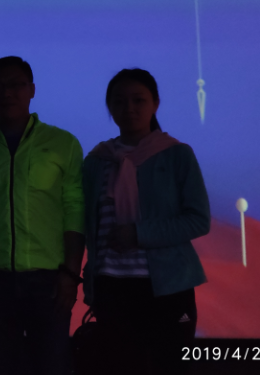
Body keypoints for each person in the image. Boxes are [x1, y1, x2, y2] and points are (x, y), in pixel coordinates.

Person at [0, 56, 85, 375]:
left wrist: (71, 273)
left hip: (50, 279)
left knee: (52, 365)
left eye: (15, 85)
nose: (7, 93)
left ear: (32, 90)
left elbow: (75, 210)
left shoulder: (63, 144)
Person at [82, 69, 210, 375]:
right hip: (111, 287)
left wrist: (138, 234)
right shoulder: (97, 160)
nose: (129, 108)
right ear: (109, 107)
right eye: (119, 101)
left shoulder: (177, 155)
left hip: (168, 287)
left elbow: (198, 220)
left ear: (155, 104)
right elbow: (86, 224)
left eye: (138, 100)